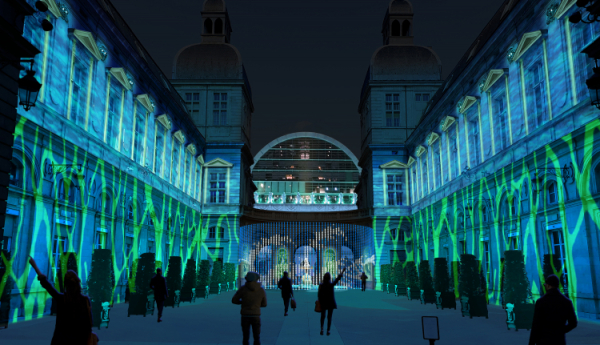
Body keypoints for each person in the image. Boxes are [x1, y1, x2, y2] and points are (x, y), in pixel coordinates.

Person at [28, 255, 96, 345]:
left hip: (61, 340)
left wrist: (35, 266)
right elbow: (89, 324)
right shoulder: (85, 301)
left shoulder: (62, 299)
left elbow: (47, 285)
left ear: (66, 285)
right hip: (79, 341)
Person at [529, 274, 578, 345]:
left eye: (545, 284)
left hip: (543, 340)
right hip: (559, 340)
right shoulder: (566, 302)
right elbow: (573, 323)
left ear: (548, 285)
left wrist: (531, 343)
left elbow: (536, 325)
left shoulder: (541, 301)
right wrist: (561, 330)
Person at [232, 272, 267, 345]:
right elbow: (264, 304)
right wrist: (256, 304)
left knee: (245, 337)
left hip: (245, 315)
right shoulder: (261, 290)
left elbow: (234, 300)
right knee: (257, 337)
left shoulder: (243, 289)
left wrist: (243, 302)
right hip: (256, 315)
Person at [318, 267, 346, 336]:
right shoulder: (331, 285)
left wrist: (320, 301)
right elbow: (337, 279)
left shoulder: (321, 285)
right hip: (330, 303)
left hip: (323, 303)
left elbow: (319, 295)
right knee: (329, 317)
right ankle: (328, 330)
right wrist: (342, 271)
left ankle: (322, 328)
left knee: (322, 316)